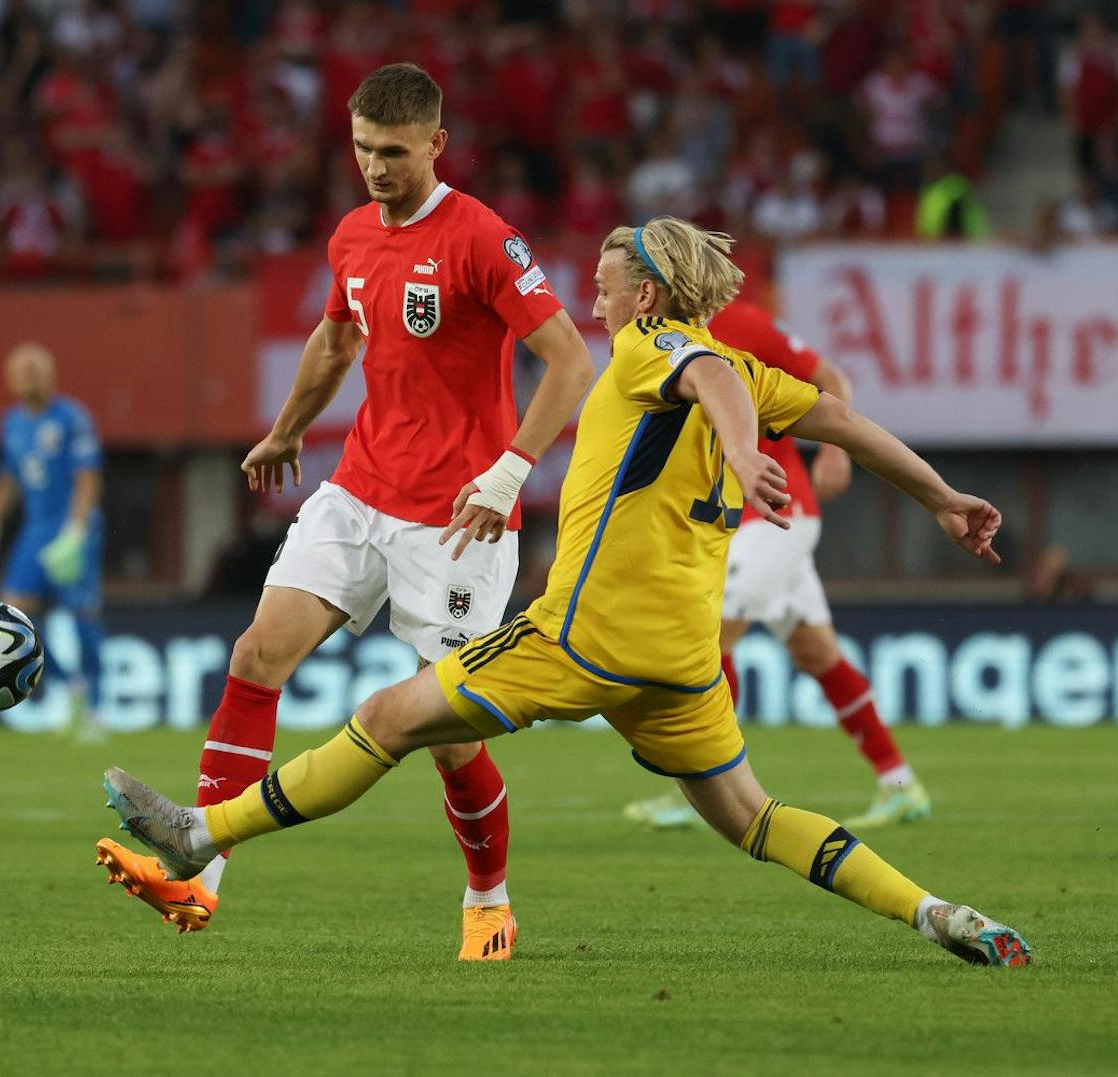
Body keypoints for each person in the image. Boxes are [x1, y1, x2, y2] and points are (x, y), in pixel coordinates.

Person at [100, 216, 1031, 969]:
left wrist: (745, 454)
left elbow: (705, 376)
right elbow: (845, 422)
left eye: (608, 278)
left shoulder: (651, 349)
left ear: (650, 295)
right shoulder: (745, 373)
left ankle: (200, 833)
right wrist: (942, 497)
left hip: (581, 640)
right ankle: (936, 911)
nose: (593, 290)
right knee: (754, 816)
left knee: (387, 717)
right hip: (679, 665)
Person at [93, 64, 595, 958]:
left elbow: (569, 362)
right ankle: (197, 876)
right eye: (363, 149)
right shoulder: (353, 235)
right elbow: (336, 336)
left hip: (458, 518)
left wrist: (512, 473)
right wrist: (287, 430)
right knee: (257, 653)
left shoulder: (483, 237)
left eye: (394, 152)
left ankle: (489, 896)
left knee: (447, 737)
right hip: (358, 490)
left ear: (436, 145)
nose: (375, 167)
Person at [624, 299, 930, 832]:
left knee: (709, 634)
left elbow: (829, 376)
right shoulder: (653, 338)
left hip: (776, 513)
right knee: (818, 655)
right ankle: (901, 784)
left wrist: (835, 450)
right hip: (735, 517)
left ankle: (703, 790)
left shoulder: (743, 323)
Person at [0, 343, 106, 740]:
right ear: (10, 379)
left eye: (36, 369)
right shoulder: (11, 423)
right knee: (15, 617)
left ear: (51, 375)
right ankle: (70, 683)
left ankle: (97, 708)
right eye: (22, 370)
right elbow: (8, 478)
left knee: (84, 616)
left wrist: (77, 531)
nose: (30, 376)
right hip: (36, 529)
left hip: (73, 528)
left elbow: (87, 477)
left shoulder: (71, 418)